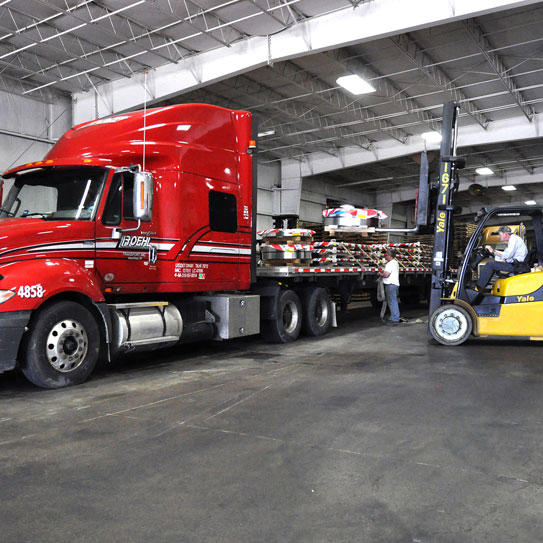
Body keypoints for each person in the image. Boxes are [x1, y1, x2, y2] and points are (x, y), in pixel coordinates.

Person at [476, 225, 528, 290]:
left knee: (490, 264)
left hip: (517, 266)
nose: (498, 236)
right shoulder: (513, 239)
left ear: (505, 233)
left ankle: (479, 287)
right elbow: (504, 254)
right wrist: (493, 252)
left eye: (500, 234)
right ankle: (484, 286)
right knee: (493, 264)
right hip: (515, 264)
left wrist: (493, 251)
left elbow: (508, 255)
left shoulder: (513, 239)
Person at [379, 248, 400, 325]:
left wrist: (380, 273)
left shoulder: (390, 264)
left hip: (390, 285)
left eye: (386, 255)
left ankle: (395, 318)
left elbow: (386, 275)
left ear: (389, 256)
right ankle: (394, 317)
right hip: (395, 284)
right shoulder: (395, 263)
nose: (385, 257)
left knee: (392, 301)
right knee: (393, 301)